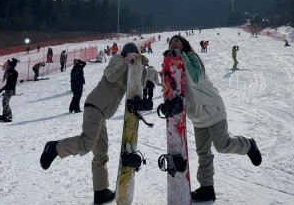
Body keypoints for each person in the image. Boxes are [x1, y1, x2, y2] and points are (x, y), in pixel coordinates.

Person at [40, 43, 148, 205]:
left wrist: (142, 67)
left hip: (102, 114)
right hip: (95, 106)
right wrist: (126, 61)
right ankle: (55, 147)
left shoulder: (129, 69)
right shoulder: (117, 60)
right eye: (131, 53)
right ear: (125, 53)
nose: (133, 56)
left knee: (101, 153)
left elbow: (140, 85)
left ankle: (101, 191)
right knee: (86, 144)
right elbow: (110, 76)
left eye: (136, 54)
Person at [165, 35, 262, 202]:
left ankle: (248, 144)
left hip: (212, 109)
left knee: (222, 145)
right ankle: (207, 188)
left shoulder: (191, 57)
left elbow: (194, 79)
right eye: (171, 42)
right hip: (197, 117)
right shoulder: (174, 65)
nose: (173, 44)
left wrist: (181, 57)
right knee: (203, 153)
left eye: (177, 41)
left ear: (184, 44)